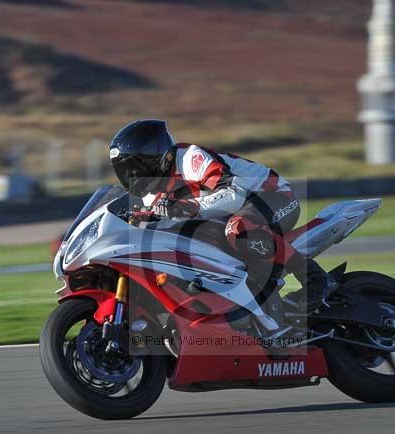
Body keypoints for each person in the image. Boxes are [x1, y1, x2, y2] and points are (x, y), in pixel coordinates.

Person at [108, 119, 334, 327]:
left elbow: (233, 194)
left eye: (136, 166)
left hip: (271, 196)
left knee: (238, 229)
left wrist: (190, 207)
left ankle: (314, 279)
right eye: (126, 170)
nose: (133, 175)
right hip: (229, 213)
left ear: (155, 156)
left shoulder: (190, 159)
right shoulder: (151, 194)